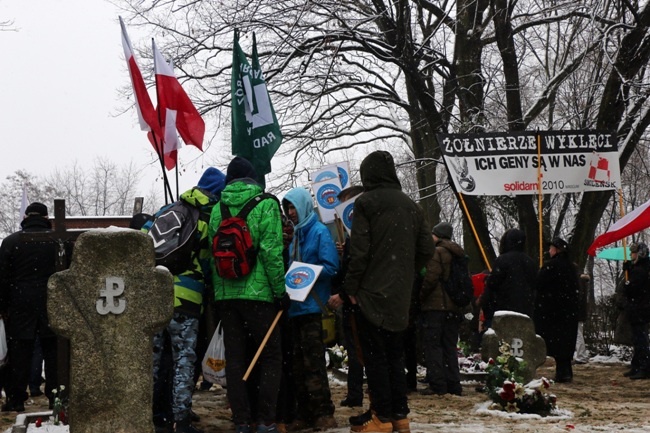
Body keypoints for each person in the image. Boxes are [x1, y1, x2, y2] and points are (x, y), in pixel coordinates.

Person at [341, 151, 434, 433]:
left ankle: (380, 417)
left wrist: (350, 289)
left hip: (370, 294)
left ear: (369, 174)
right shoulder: (412, 206)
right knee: (396, 357)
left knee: (375, 358)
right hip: (400, 296)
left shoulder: (366, 203)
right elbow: (427, 249)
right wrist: (405, 274)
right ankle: (399, 416)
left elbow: (359, 253)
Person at [209, 157, 287, 433]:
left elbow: (213, 253)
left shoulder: (218, 209)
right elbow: (272, 253)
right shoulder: (266, 204)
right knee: (270, 356)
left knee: (236, 358)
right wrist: (280, 291)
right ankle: (266, 420)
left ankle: (242, 420)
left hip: (227, 297)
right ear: (253, 178)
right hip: (260, 295)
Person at [146, 167, 226, 433]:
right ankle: (180, 420)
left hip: (157, 292)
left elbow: (144, 238)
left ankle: (154, 415)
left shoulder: (169, 209)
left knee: (155, 359)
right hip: (187, 297)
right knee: (183, 359)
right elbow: (208, 261)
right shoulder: (208, 215)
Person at [282, 186, 339, 431]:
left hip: (312, 307)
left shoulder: (319, 232)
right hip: (294, 308)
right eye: (287, 208)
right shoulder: (292, 236)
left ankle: (324, 413)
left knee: (314, 363)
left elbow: (331, 266)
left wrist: (308, 274)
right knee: (296, 364)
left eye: (293, 206)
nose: (291, 212)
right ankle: (303, 413)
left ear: (304, 205)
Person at [0, 202, 62, 412]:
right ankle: (57, 396)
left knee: (19, 355)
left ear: (26, 217)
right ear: (46, 218)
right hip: (51, 302)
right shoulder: (58, 241)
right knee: (53, 354)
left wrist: (3, 307)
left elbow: (2, 279)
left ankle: (16, 398)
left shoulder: (11, 242)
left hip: (20, 304)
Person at [328, 185, 366, 407]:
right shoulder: (354, 234)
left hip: (357, 302)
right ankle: (355, 393)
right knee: (355, 349)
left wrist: (343, 293)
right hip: (356, 300)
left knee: (357, 350)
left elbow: (357, 267)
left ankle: (356, 394)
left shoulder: (361, 230)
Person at [419, 221, 465, 396]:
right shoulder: (459, 254)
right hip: (454, 307)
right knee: (449, 346)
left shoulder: (437, 252)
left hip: (436, 307)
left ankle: (437, 384)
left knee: (433, 346)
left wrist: (421, 297)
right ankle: (454, 384)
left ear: (437, 235)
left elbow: (431, 278)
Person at [534, 237, 580, 383]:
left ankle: (563, 372)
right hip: (568, 312)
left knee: (558, 342)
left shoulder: (551, 266)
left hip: (553, 311)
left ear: (558, 250)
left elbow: (539, 284)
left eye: (551, 248)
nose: (549, 250)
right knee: (566, 343)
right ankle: (565, 371)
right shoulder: (572, 267)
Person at [479, 228, 537, 328]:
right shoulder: (530, 262)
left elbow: (493, 284)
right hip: (525, 310)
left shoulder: (502, 260)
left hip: (503, 310)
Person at [621, 242, 650, 380]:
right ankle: (637, 365)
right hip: (640, 308)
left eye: (633, 252)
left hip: (640, 308)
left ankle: (643, 367)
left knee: (640, 339)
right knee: (638, 338)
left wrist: (628, 283)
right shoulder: (641, 268)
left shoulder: (641, 270)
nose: (631, 255)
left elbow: (632, 289)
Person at [574, 273, 591, 364]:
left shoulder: (578, 284)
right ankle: (581, 355)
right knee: (578, 334)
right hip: (580, 313)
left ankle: (581, 355)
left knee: (578, 335)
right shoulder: (583, 284)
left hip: (577, 313)